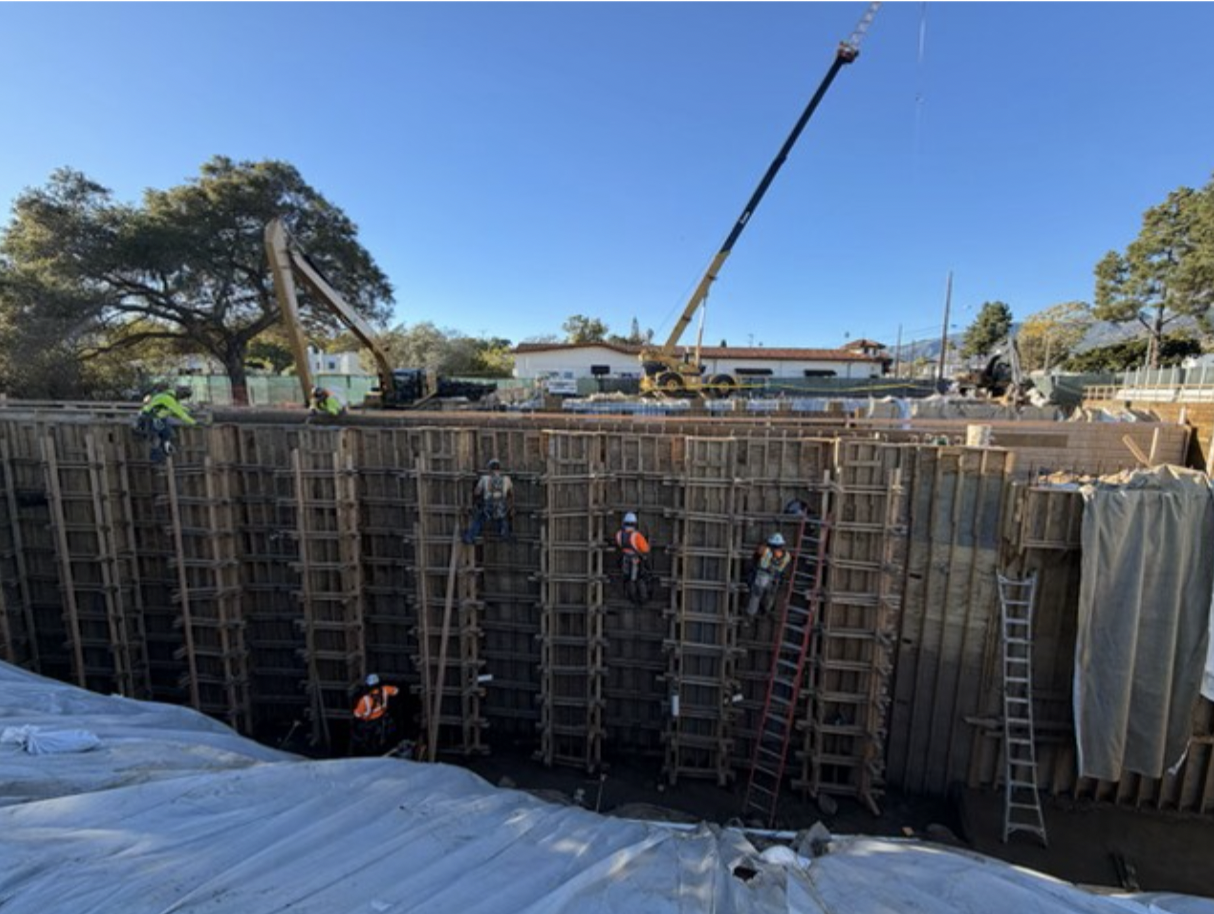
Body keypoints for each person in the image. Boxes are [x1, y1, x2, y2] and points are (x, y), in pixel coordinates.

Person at [135, 385, 196, 461]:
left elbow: (178, 406)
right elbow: (179, 413)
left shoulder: (169, 395)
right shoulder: (168, 399)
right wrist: (194, 422)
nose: (183, 399)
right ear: (181, 395)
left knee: (167, 434)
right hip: (150, 417)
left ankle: (164, 451)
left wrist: (188, 410)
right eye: (183, 397)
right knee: (163, 435)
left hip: (153, 416)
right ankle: (156, 457)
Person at [463, 459, 513, 544]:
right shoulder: (506, 479)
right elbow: (511, 493)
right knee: (503, 519)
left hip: (489, 505)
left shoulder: (484, 478)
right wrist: (511, 506)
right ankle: (505, 534)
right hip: (501, 505)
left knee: (479, 519)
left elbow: (477, 492)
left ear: (489, 469)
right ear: (499, 469)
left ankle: (470, 537)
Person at [350, 673, 400, 755]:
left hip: (369, 723)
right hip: (382, 719)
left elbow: (357, 714)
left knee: (357, 733)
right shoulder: (385, 690)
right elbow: (396, 691)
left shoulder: (364, 699)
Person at [746, 532, 792, 618]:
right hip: (773, 578)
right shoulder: (787, 556)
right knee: (770, 596)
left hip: (762, 577)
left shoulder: (766, 552)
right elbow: (780, 569)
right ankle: (765, 611)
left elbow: (759, 558)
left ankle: (751, 615)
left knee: (756, 596)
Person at [614, 511, 652, 604]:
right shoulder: (637, 536)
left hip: (625, 560)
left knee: (628, 578)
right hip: (636, 561)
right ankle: (642, 599)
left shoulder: (619, 534)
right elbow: (646, 549)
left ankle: (631, 597)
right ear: (635, 524)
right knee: (639, 578)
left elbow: (620, 545)